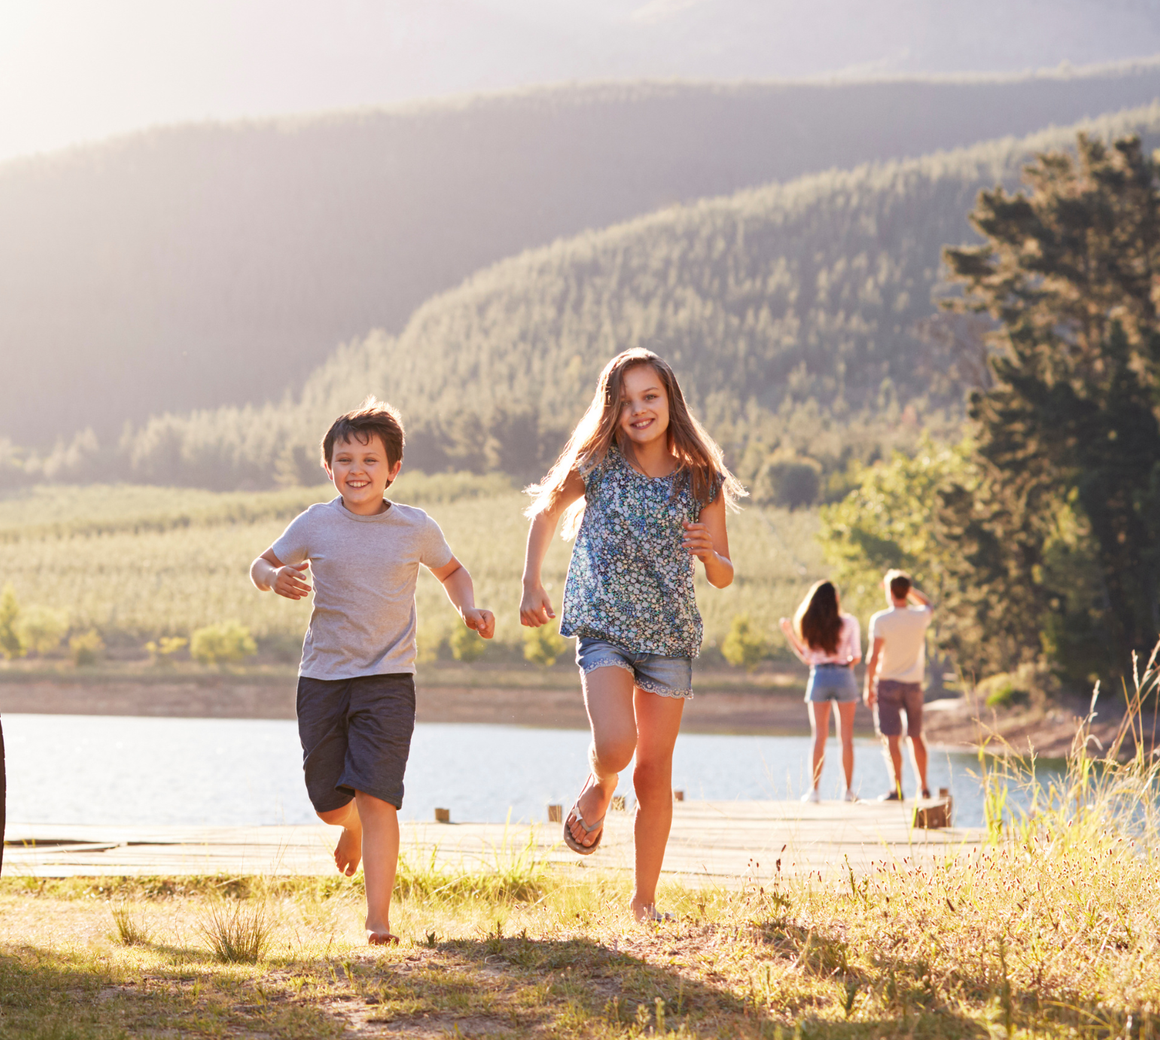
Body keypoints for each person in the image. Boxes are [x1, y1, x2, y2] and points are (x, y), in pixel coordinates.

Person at [250, 399, 494, 946]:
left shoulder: (415, 527)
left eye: (369, 460)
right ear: (329, 468)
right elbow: (260, 563)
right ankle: (351, 825)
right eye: (344, 459)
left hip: (389, 680)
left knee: (379, 795)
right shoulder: (315, 522)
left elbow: (452, 571)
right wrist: (274, 577)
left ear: (393, 470)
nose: (356, 470)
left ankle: (378, 921)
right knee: (328, 804)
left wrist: (468, 608)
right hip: (322, 679)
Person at [518, 348, 738, 923]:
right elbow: (545, 512)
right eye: (625, 401)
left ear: (671, 401)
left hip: (669, 635)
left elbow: (723, 573)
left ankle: (644, 901)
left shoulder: (701, 478)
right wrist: (531, 582)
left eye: (650, 397)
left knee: (653, 772)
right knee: (617, 746)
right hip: (604, 625)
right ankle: (599, 781)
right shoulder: (599, 463)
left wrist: (710, 555)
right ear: (611, 410)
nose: (639, 410)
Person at [778, 580, 862, 802]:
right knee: (846, 738)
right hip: (844, 676)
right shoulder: (849, 622)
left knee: (819, 738)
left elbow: (807, 657)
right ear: (836, 599)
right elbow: (856, 656)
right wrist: (844, 662)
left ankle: (814, 792)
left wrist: (789, 633)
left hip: (820, 676)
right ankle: (848, 791)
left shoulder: (809, 623)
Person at [865, 569, 934, 801]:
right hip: (913, 684)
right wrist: (909, 590)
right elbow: (928, 604)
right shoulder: (919, 616)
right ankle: (923, 787)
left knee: (891, 737)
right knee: (916, 735)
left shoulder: (881, 620)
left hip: (887, 684)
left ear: (889, 591)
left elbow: (873, 657)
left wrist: (868, 687)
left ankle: (897, 789)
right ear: (906, 591)